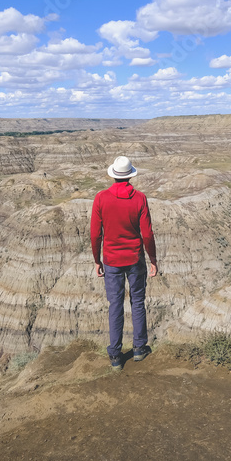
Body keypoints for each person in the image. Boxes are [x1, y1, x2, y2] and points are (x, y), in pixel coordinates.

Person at [90, 156, 158, 369]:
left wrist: (96, 260)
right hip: (135, 258)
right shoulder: (139, 198)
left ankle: (115, 356)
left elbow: (94, 234)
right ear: (130, 175)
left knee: (115, 305)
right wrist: (153, 259)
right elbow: (147, 234)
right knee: (137, 301)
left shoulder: (101, 198)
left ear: (113, 174)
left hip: (111, 260)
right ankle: (139, 348)